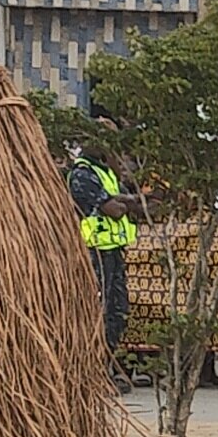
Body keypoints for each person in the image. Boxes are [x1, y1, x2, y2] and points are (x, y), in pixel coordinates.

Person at [68, 140, 143, 393]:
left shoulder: (105, 172)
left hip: (112, 252)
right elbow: (114, 209)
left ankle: (104, 367)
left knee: (117, 311)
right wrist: (122, 203)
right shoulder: (82, 173)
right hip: (93, 253)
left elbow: (130, 201)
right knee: (96, 312)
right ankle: (91, 373)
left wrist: (126, 200)